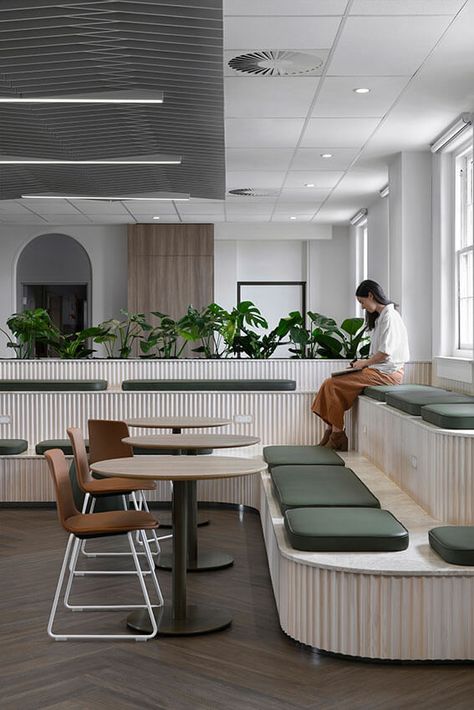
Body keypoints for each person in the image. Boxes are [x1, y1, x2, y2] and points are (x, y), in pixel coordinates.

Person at [311, 279, 409, 451]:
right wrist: (363, 365)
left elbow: (385, 352)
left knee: (333, 384)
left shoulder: (390, 317)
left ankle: (337, 436)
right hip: (378, 369)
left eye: (362, 302)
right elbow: (380, 353)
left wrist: (364, 363)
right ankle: (331, 429)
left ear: (371, 295)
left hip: (388, 374)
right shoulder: (381, 318)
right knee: (329, 383)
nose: (363, 307)